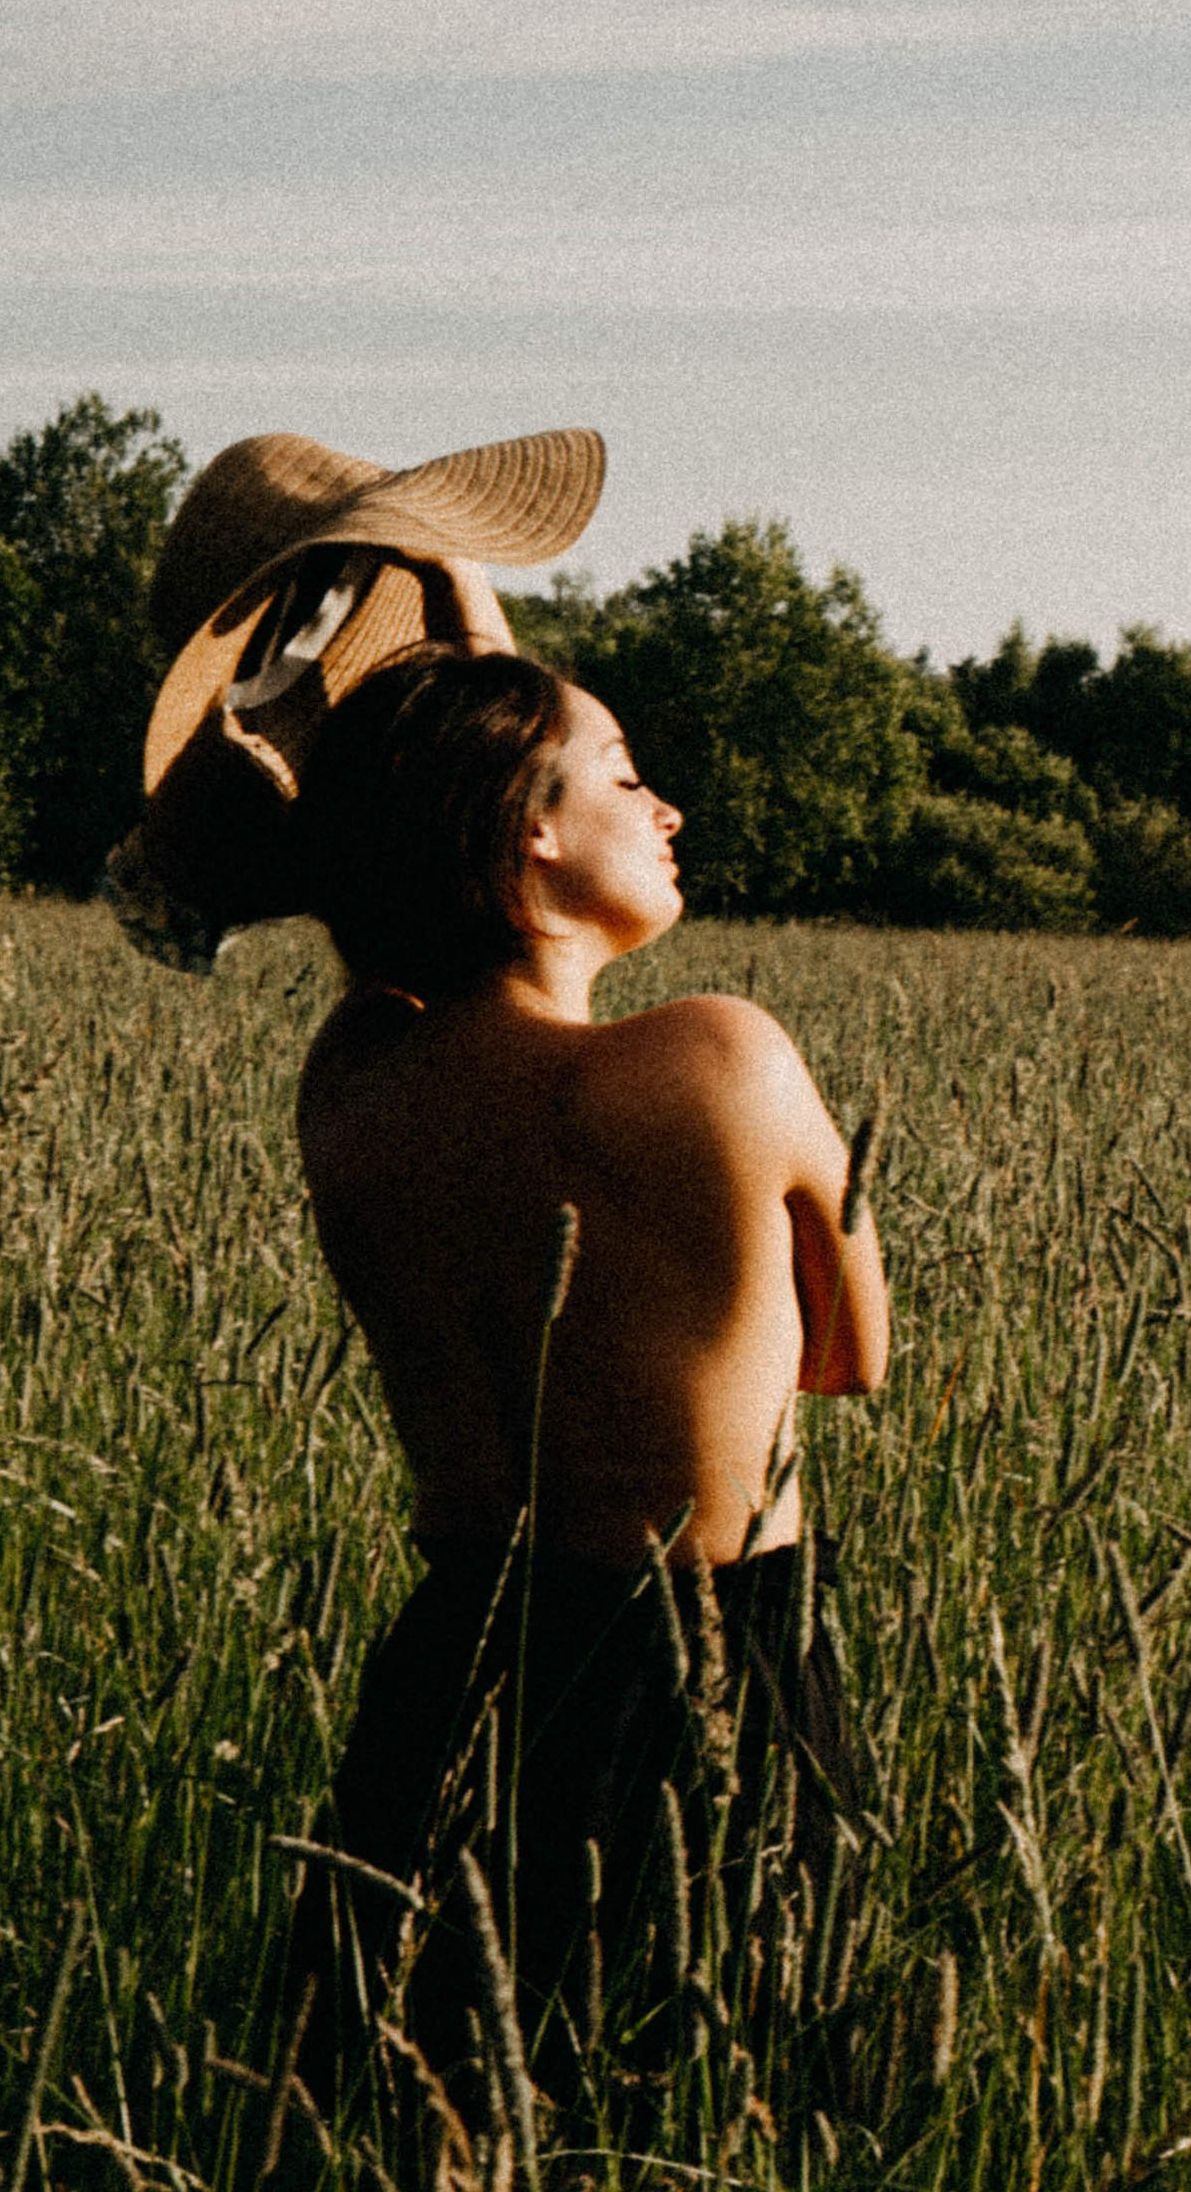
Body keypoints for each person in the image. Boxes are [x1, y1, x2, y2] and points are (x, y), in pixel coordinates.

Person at [286, 645, 889, 2107]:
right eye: (627, 775)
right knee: (720, 2156)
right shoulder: (724, 1058)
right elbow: (848, 1358)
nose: (667, 807)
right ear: (526, 830)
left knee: (414, 2146)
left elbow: (413, 900)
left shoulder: (354, 1077)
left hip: (455, 1678)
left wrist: (430, 723)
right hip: (704, 1682)